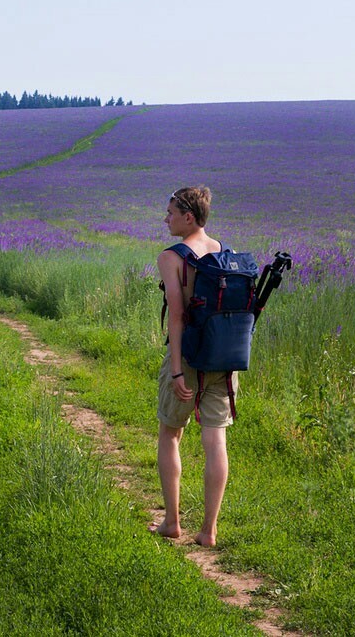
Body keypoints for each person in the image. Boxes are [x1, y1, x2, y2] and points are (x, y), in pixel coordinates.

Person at [150, 185, 232, 548]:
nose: (166, 219)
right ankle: (209, 531)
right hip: (221, 359)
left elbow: (177, 314)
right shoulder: (221, 251)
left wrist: (178, 370)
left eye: (170, 213)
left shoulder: (171, 258)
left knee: (170, 434)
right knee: (216, 440)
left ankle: (172, 522)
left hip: (187, 358)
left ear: (188, 216)